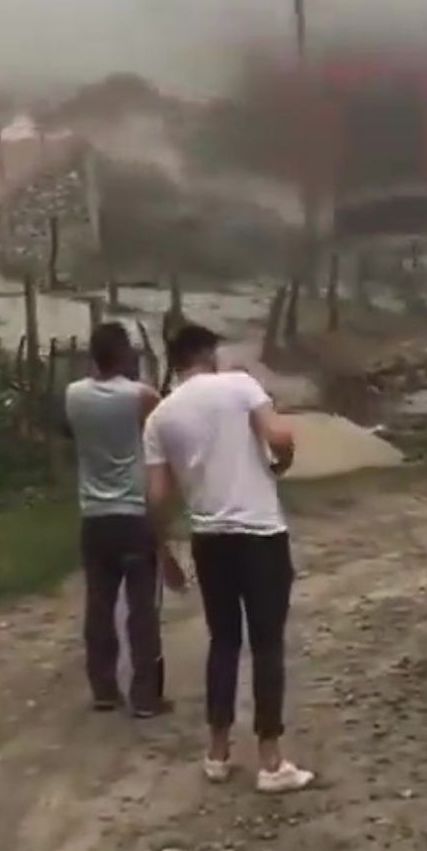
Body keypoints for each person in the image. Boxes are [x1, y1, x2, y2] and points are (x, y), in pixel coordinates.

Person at [143, 323, 313, 794]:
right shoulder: (239, 384)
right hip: (259, 533)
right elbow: (278, 436)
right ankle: (271, 761)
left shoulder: (160, 417)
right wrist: (283, 461)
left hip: (209, 538)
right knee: (266, 645)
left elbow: (157, 496)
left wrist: (162, 553)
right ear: (208, 353)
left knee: (223, 642)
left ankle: (217, 753)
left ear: (174, 361)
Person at [61, 321, 176, 717]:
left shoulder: (73, 395)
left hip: (94, 515)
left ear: (92, 356)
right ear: (127, 356)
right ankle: (146, 695)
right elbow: (165, 431)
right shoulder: (142, 396)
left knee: (99, 604)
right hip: (133, 513)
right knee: (142, 608)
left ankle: (104, 688)